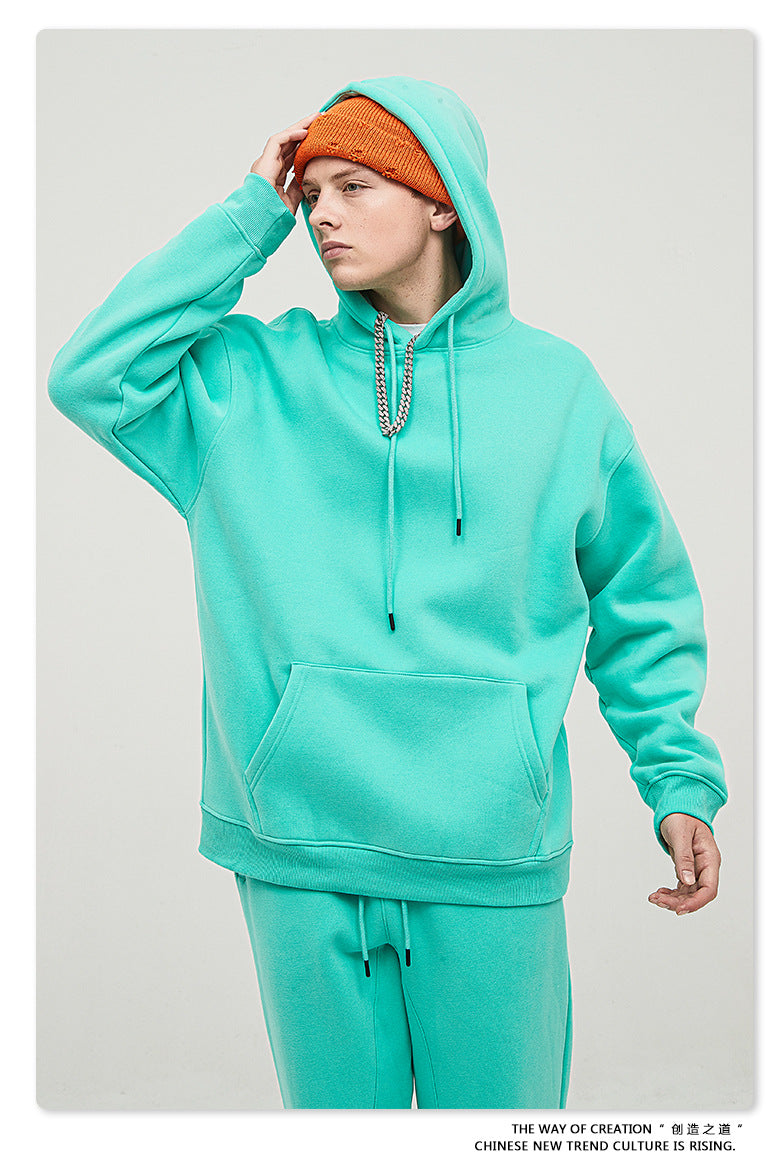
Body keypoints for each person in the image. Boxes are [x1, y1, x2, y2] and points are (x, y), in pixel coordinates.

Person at [47, 75, 727, 1110]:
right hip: (302, 844)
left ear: (442, 202)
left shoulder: (559, 393)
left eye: (355, 186)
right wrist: (249, 212)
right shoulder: (243, 382)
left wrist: (676, 779)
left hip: (488, 850)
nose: (321, 215)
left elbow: (640, 602)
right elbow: (90, 375)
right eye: (310, 192)